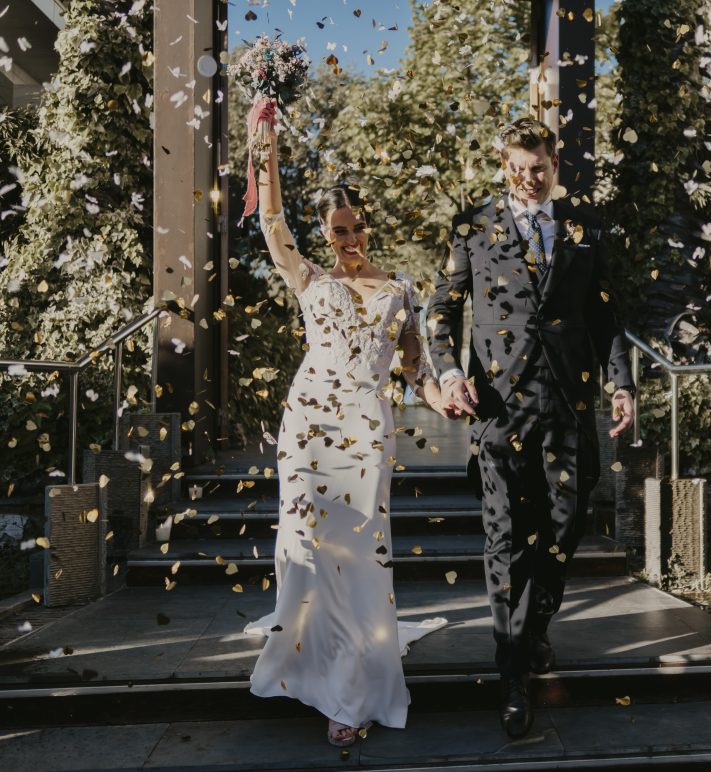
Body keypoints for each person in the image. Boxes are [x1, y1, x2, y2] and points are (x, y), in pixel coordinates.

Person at [242, 98, 448, 747]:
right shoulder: (308, 279)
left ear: (369, 226)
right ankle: (306, 665)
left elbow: (417, 368)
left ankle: (351, 692)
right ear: (326, 235)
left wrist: (451, 398)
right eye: (337, 231)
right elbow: (270, 219)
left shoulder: (400, 290)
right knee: (303, 555)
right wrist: (263, 148)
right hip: (308, 424)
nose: (349, 240)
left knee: (358, 561)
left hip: (366, 429)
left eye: (356, 228)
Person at [426, 117, 635, 738]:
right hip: (498, 404)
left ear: (554, 162)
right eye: (516, 169)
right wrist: (447, 375)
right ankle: (512, 673)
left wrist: (621, 383)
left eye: (537, 167)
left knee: (566, 524)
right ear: (502, 163)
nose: (527, 179)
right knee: (505, 536)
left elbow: (607, 313)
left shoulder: (586, 226)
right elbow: (440, 309)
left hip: (570, 402)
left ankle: (536, 623)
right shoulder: (471, 226)